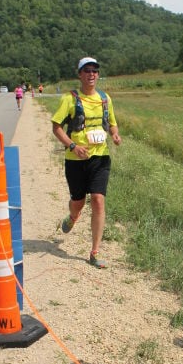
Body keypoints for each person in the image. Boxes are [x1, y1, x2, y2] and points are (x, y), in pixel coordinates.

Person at [51, 56, 122, 268]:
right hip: (75, 160)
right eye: (87, 70)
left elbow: (112, 124)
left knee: (99, 200)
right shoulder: (69, 99)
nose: (92, 74)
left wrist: (115, 135)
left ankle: (94, 252)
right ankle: (73, 216)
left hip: (100, 158)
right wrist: (73, 146)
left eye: (95, 71)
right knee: (79, 203)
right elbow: (56, 128)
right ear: (80, 74)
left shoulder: (105, 99)